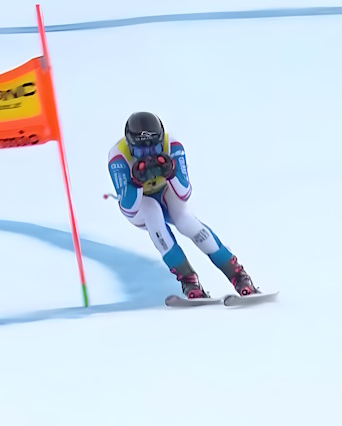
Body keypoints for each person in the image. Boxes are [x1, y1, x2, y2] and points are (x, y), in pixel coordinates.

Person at [107, 111, 259, 299]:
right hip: (141, 204)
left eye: (154, 150)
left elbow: (184, 192)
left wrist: (170, 172)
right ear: (130, 147)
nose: (148, 157)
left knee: (185, 220)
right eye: (140, 153)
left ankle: (237, 274)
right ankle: (188, 279)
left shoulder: (172, 145)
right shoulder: (118, 156)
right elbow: (129, 207)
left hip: (166, 192)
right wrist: (136, 183)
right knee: (151, 210)